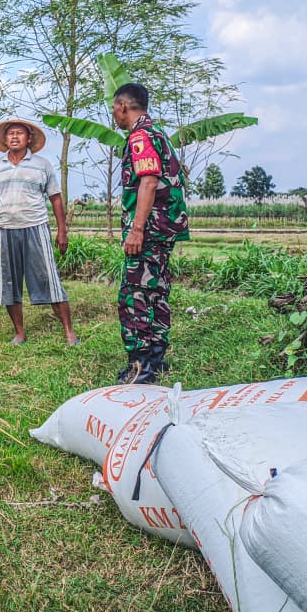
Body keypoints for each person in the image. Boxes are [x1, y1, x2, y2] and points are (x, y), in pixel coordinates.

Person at [111, 83, 190, 385]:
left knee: (135, 295)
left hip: (150, 228)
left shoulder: (141, 137)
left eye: (115, 110)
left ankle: (140, 366)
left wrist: (137, 229)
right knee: (156, 290)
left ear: (123, 107)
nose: (115, 116)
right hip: (165, 226)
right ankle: (156, 357)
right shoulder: (158, 134)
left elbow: (147, 181)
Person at [0, 119, 80, 346]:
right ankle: (19, 333)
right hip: (5, 230)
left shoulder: (42, 165)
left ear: (29, 139)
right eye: (10, 134)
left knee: (50, 279)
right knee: (9, 283)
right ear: (5, 140)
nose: (14, 137)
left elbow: (55, 198)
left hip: (36, 227)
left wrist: (62, 230)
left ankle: (69, 331)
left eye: (19, 133)